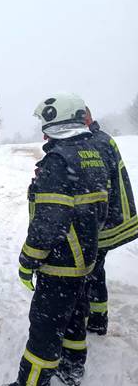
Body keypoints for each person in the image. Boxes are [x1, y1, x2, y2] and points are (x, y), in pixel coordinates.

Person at [0, 92, 109, 386]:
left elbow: (48, 224)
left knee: (45, 324)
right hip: (86, 257)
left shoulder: (57, 162)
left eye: (44, 125)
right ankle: (73, 366)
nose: (42, 132)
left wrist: (28, 260)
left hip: (60, 261)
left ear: (56, 123)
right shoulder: (92, 153)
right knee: (75, 314)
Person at [83, 108, 137, 335]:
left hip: (107, 221)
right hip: (110, 216)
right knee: (95, 269)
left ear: (86, 119)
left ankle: (95, 319)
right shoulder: (100, 138)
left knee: (92, 270)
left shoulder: (97, 143)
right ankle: (95, 315)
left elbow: (97, 187)